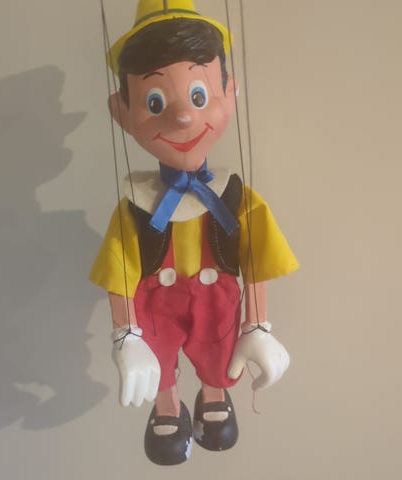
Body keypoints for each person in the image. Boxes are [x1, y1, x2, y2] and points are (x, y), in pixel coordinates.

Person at [90, 0, 299, 465]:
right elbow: (119, 271)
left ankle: (214, 393)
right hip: (154, 303)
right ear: (121, 111)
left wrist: (258, 326)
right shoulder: (135, 204)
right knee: (157, 356)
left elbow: (255, 260)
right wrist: (126, 336)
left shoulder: (236, 196)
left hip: (216, 298)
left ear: (230, 93)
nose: (183, 117)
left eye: (199, 96)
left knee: (220, 350)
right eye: (155, 102)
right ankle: (167, 402)